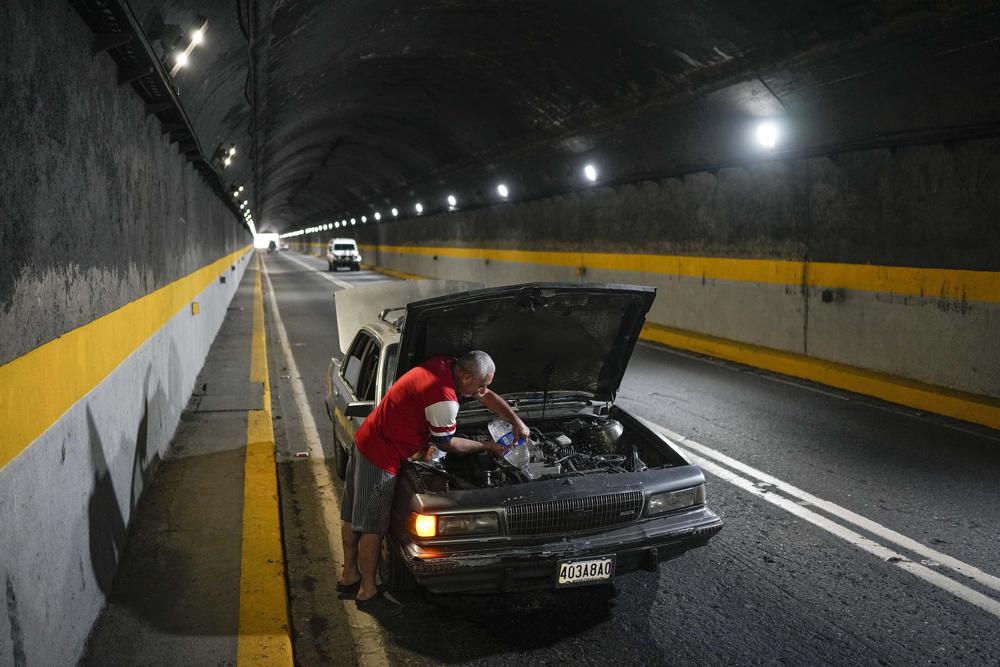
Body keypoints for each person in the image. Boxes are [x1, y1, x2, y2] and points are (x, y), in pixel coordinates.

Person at [337, 350, 528, 617]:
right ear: (465, 376)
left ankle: (349, 576)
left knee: (350, 515)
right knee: (373, 526)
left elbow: (485, 396)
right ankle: (367, 591)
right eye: (481, 384)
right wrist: (488, 446)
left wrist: (516, 421)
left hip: (367, 437)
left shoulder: (444, 364)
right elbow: (448, 445)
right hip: (381, 455)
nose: (484, 391)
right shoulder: (444, 399)